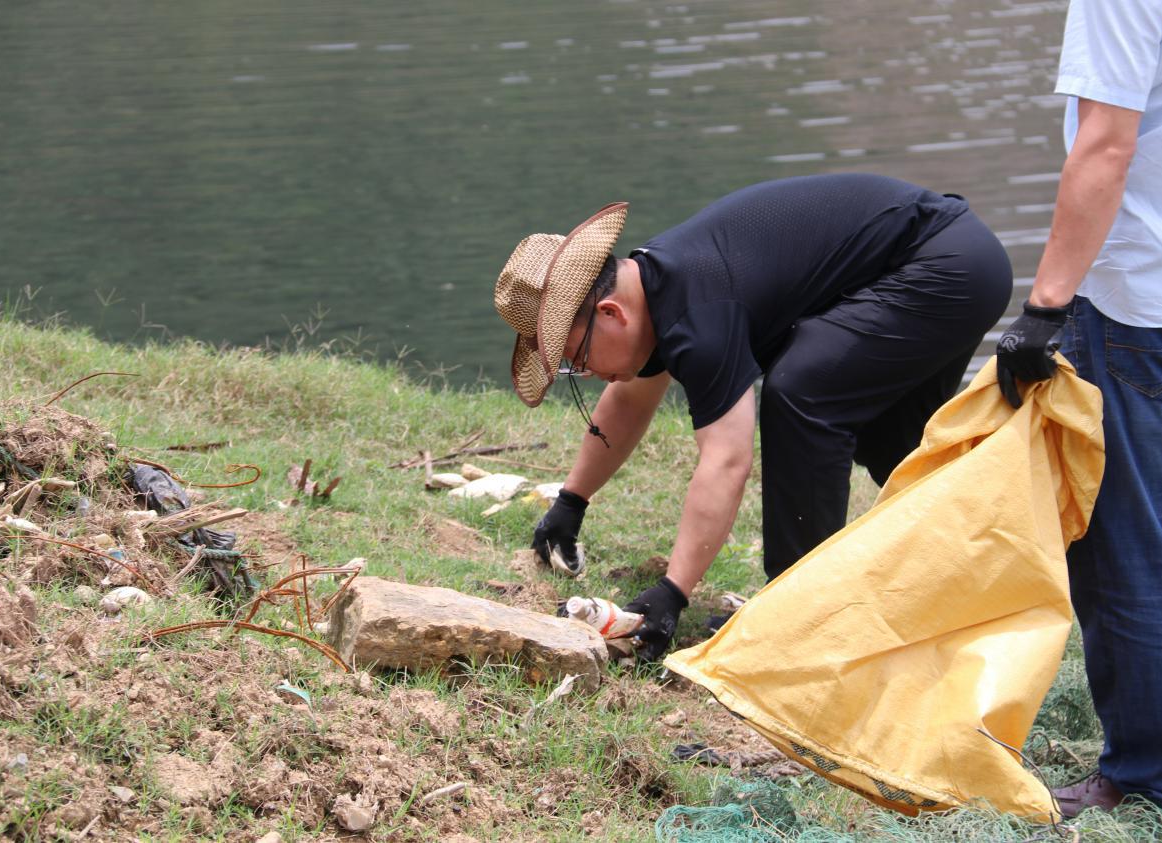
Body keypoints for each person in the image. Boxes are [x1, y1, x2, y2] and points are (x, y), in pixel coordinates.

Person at [493, 173, 1012, 661]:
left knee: (803, 394)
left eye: (575, 356)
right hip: (943, 263)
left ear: (610, 315)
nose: (582, 371)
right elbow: (631, 400)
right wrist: (571, 501)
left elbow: (726, 460)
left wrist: (674, 591)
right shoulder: (657, 290)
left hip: (946, 264)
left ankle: (798, 617)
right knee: (891, 448)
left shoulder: (698, 311)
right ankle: (984, 586)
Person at [994, 0, 1162, 817]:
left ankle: (1140, 774)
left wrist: (1046, 306)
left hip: (1140, 305)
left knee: (1128, 552)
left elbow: (1105, 143)